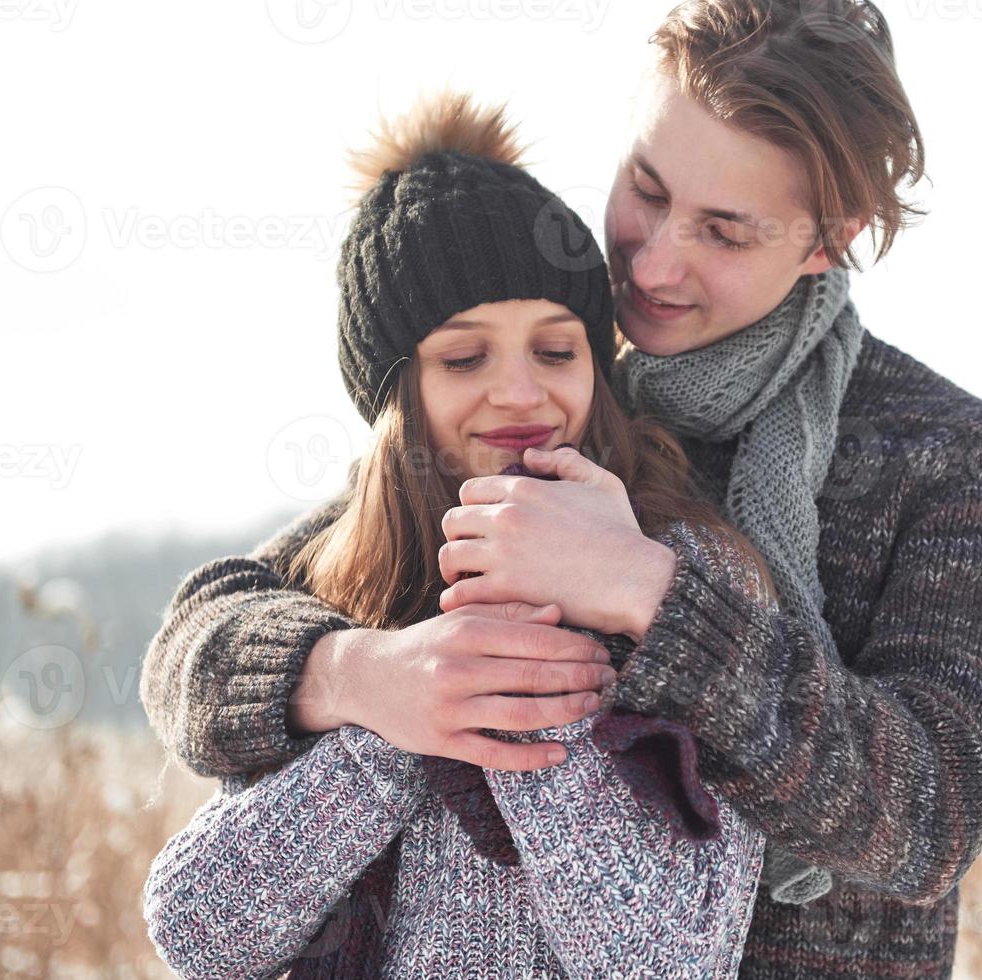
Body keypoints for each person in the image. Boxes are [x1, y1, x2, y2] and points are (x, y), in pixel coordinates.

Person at [139, 2, 982, 976]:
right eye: (646, 190)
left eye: (724, 232)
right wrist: (359, 674)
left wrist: (653, 594)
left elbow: (929, 812)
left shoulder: (951, 453)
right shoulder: (550, 381)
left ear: (832, 236)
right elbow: (213, 628)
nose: (653, 263)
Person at [141, 90, 773, 978]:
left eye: (556, 352)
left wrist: (513, 674)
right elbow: (201, 933)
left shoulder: (685, 571)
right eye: (465, 357)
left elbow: (669, 958)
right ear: (394, 393)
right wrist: (393, 699)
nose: (520, 393)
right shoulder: (332, 581)